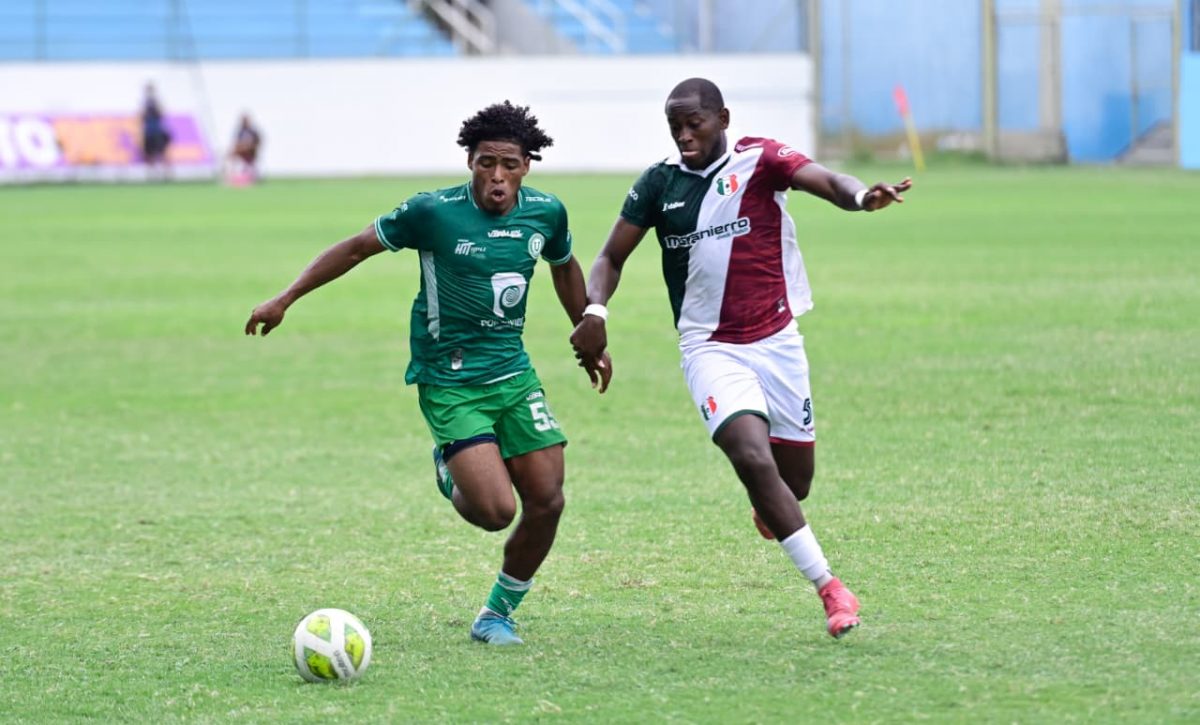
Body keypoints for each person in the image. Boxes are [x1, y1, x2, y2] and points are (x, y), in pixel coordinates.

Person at [245, 101, 611, 645]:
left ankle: (496, 615)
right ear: (470, 161)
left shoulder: (546, 213)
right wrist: (285, 298)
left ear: (526, 166)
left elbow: (563, 266)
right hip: (450, 378)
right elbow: (356, 248)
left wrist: (588, 329)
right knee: (495, 511)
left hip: (513, 374)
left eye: (509, 165)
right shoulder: (432, 212)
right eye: (486, 163)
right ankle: (449, 467)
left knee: (548, 500)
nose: (497, 176)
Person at [570, 78, 912, 639]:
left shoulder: (762, 159)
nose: (684, 136)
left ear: (722, 118)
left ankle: (774, 504)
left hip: (777, 342)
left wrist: (859, 197)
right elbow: (610, 255)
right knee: (750, 456)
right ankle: (830, 588)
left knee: (794, 482)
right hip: (709, 347)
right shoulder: (659, 183)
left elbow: (827, 180)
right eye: (674, 127)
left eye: (694, 124)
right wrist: (596, 311)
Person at [140, 83, 171, 176]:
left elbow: (162, 114)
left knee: (162, 153)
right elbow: (141, 116)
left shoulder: (157, 101)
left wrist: (155, 108)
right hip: (148, 132)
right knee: (149, 154)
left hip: (157, 131)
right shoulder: (144, 103)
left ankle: (166, 173)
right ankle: (152, 173)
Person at [226, 113, 263, 186]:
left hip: (251, 151)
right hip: (241, 152)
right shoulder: (240, 131)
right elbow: (237, 142)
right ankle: (232, 177)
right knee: (230, 154)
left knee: (248, 162)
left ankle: (251, 177)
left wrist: (250, 147)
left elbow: (258, 142)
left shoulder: (253, 131)